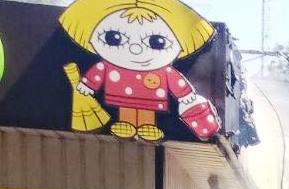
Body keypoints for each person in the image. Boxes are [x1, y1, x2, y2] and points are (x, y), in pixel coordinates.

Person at [59, 0, 221, 142]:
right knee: (127, 110)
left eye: (157, 42)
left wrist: (185, 96)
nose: (135, 49)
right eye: (113, 38)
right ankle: (126, 124)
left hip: (149, 98)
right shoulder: (107, 65)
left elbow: (175, 80)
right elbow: (98, 72)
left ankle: (147, 127)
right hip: (122, 96)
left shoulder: (164, 71)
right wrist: (87, 85)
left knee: (146, 112)